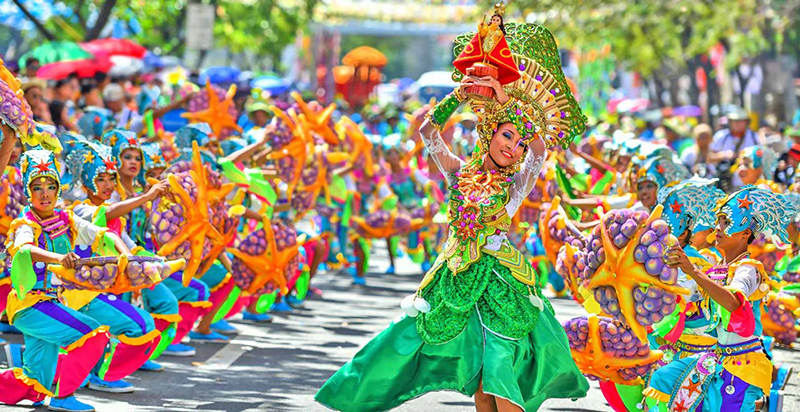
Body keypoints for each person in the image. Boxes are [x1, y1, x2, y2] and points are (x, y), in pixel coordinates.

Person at [316, 18, 589, 412]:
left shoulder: (516, 185)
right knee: (472, 374)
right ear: (490, 134)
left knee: (498, 368)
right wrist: (459, 94)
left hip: (499, 282)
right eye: (506, 135)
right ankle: (360, 390)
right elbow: (428, 131)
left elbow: (541, 152)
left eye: (518, 139)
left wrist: (505, 98)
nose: (513, 147)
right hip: (455, 275)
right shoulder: (460, 172)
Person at [651, 186, 796, 412]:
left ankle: (766, 402)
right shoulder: (716, 269)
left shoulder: (749, 269)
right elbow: (701, 313)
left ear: (745, 233)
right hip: (713, 358)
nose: (717, 228)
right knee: (663, 379)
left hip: (742, 365)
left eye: (726, 222)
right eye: (718, 221)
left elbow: (733, 302)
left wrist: (692, 271)